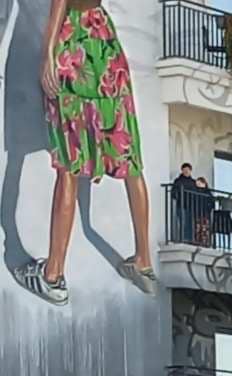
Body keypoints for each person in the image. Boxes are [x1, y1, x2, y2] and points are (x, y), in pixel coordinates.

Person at [16, 0, 154, 306]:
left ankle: (52, 275)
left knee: (69, 165)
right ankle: (143, 260)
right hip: (104, 41)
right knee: (130, 158)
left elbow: (60, 3)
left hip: (74, 41)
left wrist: (47, 55)